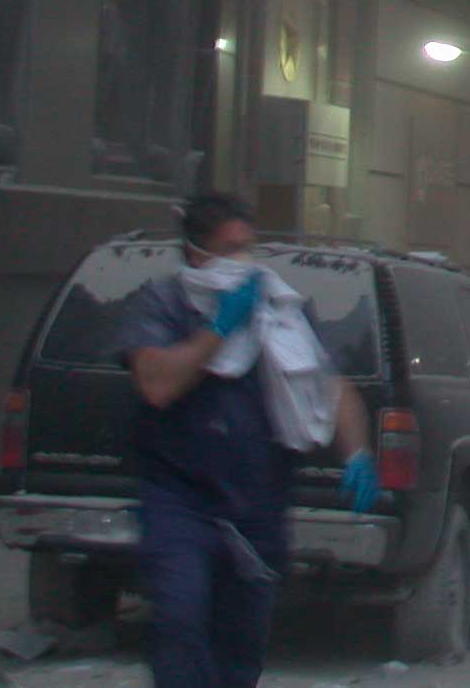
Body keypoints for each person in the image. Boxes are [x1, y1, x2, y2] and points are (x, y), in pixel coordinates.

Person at [114, 193, 376, 688]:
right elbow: (157, 383)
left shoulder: (278, 310)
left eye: (248, 247)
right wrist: (218, 329)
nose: (243, 262)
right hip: (181, 501)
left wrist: (357, 452)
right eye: (230, 249)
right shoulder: (163, 305)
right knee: (180, 619)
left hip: (257, 506)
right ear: (197, 254)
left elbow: (329, 386)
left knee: (242, 643)